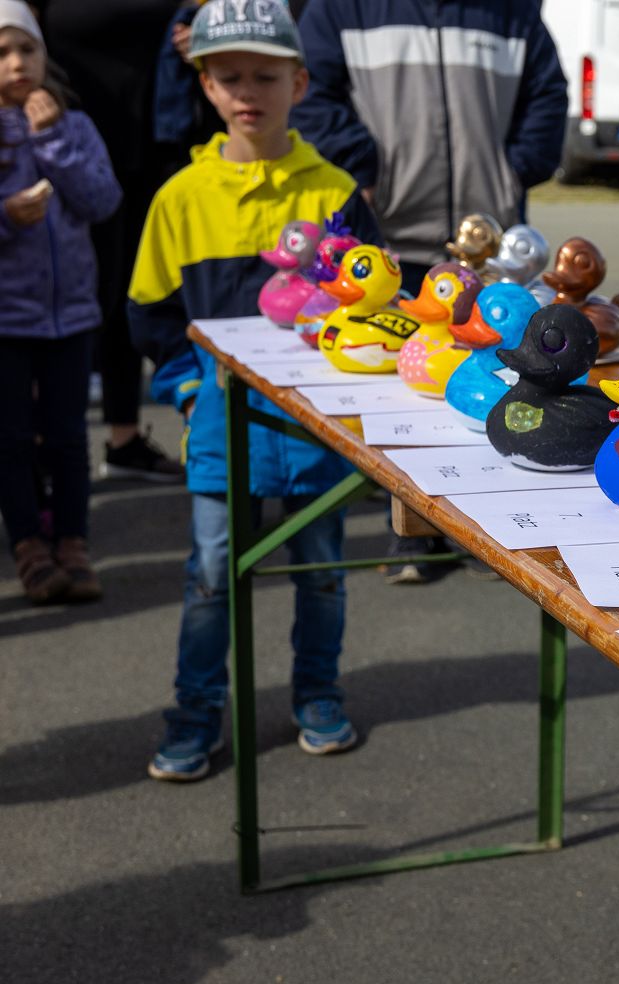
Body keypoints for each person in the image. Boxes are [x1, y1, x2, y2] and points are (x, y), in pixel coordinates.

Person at [126, 0, 381, 782]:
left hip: (317, 430)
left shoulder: (336, 192)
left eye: (265, 76)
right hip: (219, 428)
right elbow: (151, 314)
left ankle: (318, 694)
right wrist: (188, 391)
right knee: (210, 578)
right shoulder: (179, 197)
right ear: (205, 86)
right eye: (229, 76)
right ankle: (195, 715)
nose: (248, 92)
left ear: (299, 83)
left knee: (322, 572)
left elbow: (371, 307)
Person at [288, 0, 567, 584]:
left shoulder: (511, 12)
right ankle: (413, 527)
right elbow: (313, 93)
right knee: (406, 395)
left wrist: (515, 167)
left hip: (490, 244)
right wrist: (364, 165)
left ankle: (490, 533)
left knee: (491, 383)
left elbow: (548, 92)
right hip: (393, 243)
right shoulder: (342, 8)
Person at [0, 0, 119, 604]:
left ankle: (74, 543)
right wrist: (6, 215)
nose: (17, 63)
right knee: (12, 439)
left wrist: (50, 141)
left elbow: (103, 201)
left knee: (69, 438)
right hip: (6, 321)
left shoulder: (73, 125)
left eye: (28, 49)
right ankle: (29, 546)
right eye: (1, 53)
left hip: (71, 314)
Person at [38, 0, 186, 482]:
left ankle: (124, 439)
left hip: (158, 143)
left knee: (134, 294)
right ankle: (39, 450)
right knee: (67, 298)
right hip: (62, 144)